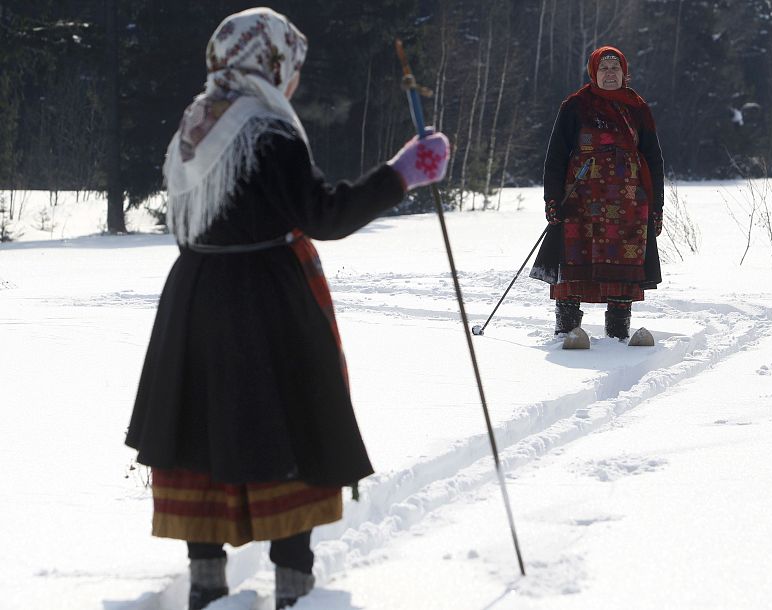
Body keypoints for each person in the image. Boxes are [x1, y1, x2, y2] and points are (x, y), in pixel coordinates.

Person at [124, 8, 449, 610]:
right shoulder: (267, 131)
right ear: (270, 65)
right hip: (264, 304)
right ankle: (294, 589)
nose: (294, 81)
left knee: (201, 430)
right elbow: (324, 214)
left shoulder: (196, 122)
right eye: (291, 67)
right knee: (286, 429)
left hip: (194, 297)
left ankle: (206, 583)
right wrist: (402, 174)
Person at [530, 45, 664, 342]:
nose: (610, 73)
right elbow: (556, 158)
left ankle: (617, 336)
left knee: (623, 265)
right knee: (573, 260)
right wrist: (552, 200)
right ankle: (567, 331)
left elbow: (654, 160)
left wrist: (657, 207)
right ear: (594, 72)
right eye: (604, 68)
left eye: (615, 68)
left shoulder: (638, 108)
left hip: (629, 203)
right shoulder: (575, 106)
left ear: (624, 73)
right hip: (581, 200)